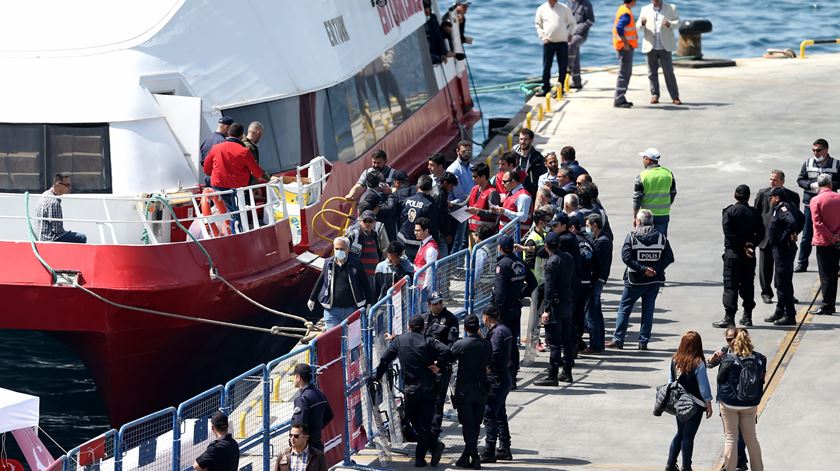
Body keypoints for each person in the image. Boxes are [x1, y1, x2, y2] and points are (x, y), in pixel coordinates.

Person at [374, 315, 450, 467]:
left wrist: (377, 376)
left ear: (408, 327)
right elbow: (447, 351)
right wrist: (439, 366)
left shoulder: (399, 341)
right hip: (428, 388)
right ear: (423, 328)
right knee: (425, 424)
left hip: (412, 389)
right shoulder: (428, 340)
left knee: (413, 420)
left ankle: (425, 454)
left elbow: (385, 359)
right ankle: (431, 448)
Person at [607, 209, 674, 349]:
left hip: (634, 280)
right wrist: (655, 269)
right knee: (648, 310)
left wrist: (643, 269)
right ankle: (643, 341)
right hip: (654, 281)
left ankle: (618, 340)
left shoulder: (632, 236)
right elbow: (669, 257)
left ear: (638, 221)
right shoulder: (661, 237)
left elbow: (626, 257)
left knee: (624, 308)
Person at [203, 122, 271, 231]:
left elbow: (206, 170)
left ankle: (222, 232)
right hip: (235, 191)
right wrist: (269, 178)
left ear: (229, 133)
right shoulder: (244, 151)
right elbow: (257, 173)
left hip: (218, 188)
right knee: (237, 215)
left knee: (224, 212)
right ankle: (237, 233)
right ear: (241, 136)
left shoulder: (215, 148)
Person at [713, 185, 765, 328]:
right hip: (748, 255)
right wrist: (750, 244)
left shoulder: (729, 212)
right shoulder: (754, 213)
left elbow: (729, 234)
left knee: (730, 286)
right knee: (748, 285)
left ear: (735, 196)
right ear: (748, 197)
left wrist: (743, 244)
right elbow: (761, 233)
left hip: (733, 254)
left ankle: (729, 317)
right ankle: (747, 316)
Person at [717, 329, 766, 471]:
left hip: (730, 403)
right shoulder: (760, 359)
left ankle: (730, 468)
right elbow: (761, 379)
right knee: (751, 438)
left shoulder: (730, 359)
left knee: (731, 437)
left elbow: (720, 378)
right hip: (750, 403)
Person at [665, 331, 713, 471]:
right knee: (688, 436)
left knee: (680, 433)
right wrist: (708, 404)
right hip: (695, 405)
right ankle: (686, 467)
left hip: (679, 403)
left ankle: (670, 463)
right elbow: (703, 387)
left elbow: (670, 382)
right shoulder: (698, 363)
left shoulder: (675, 360)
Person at [753, 170, 800, 304]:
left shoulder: (793, 196)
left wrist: (794, 232)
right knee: (765, 267)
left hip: (783, 239)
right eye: (771, 179)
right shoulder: (763, 193)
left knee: (784, 269)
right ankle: (766, 293)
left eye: (774, 179)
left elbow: (797, 217)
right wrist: (757, 234)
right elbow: (756, 214)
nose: (771, 182)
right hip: (766, 237)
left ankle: (785, 292)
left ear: (782, 181)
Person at [450, 314, 490, 469]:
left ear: (465, 328)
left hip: (465, 390)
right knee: (475, 424)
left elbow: (449, 358)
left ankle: (473, 456)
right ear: (478, 328)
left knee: (467, 424)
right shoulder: (486, 344)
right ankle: (468, 455)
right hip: (481, 389)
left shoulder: (461, 344)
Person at [534, 231, 575, 385]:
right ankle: (567, 372)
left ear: (546, 246)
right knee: (567, 340)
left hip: (556, 306)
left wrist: (546, 310)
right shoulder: (568, 258)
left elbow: (549, 289)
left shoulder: (551, 262)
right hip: (567, 302)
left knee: (555, 342)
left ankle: (552, 375)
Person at [706, 328, 749, 471]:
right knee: (731, 434)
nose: (730, 342)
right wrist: (713, 359)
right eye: (728, 339)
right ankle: (736, 461)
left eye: (733, 339)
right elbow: (709, 365)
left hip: (741, 400)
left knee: (739, 434)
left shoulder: (746, 354)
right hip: (726, 399)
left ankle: (738, 462)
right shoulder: (726, 352)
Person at [795, 139, 840, 272]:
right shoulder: (808, 163)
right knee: (806, 235)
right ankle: (802, 263)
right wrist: (810, 185)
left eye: (818, 150)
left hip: (829, 206)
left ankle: (835, 265)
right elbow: (800, 179)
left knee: (832, 234)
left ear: (826, 150)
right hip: (811, 204)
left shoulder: (836, 164)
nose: (815, 152)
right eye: (813, 150)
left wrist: (828, 186)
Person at [422, 291, 460, 448]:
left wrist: (439, 365)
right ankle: (424, 435)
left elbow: (452, 347)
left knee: (437, 403)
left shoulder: (450, 319)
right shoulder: (423, 318)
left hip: (440, 368)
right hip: (424, 367)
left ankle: (434, 438)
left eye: (440, 303)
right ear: (429, 305)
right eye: (435, 303)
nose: (439, 306)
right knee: (423, 403)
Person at [308, 237, 370, 329]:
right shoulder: (328, 263)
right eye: (336, 249)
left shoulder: (356, 264)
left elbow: (365, 283)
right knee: (335, 338)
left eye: (342, 249)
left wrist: (369, 302)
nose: (339, 251)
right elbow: (321, 280)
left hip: (352, 309)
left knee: (352, 340)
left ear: (348, 249)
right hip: (332, 310)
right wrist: (312, 298)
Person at [492, 235, 527, 385]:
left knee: (502, 342)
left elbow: (499, 292)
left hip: (504, 309)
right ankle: (512, 376)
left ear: (500, 248)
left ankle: (504, 376)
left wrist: (497, 311)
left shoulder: (503, 265)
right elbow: (532, 282)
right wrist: (520, 295)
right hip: (515, 306)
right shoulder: (520, 262)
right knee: (512, 342)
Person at [763, 187, 802, 326]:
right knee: (780, 281)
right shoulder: (785, 206)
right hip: (781, 250)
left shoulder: (783, 208)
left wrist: (787, 235)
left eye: (771, 197)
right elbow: (801, 218)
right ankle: (780, 311)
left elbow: (792, 222)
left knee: (783, 282)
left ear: (777, 198)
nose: (769, 199)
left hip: (783, 250)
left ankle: (789, 315)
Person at [479, 307, 513, 463]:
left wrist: (488, 367)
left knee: (490, 414)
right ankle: (504, 447)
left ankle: (489, 451)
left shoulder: (498, 333)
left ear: (486, 317)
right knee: (500, 414)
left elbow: (495, 353)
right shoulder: (504, 330)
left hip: (496, 379)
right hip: (504, 377)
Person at [637, 0, 681, 105]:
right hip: (650, 46)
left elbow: (678, 23)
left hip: (665, 46)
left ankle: (675, 97)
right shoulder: (645, 9)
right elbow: (637, 26)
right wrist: (642, 23)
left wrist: (669, 24)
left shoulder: (671, 8)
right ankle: (654, 95)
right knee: (652, 73)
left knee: (669, 72)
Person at [808, 173, 840, 315]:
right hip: (838, 241)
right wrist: (837, 235)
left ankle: (828, 305)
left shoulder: (815, 200)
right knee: (834, 273)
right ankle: (830, 303)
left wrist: (830, 236)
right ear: (830, 184)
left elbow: (818, 223)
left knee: (826, 275)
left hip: (824, 242)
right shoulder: (838, 198)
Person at [581, 214, 611, 354]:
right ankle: (598, 343)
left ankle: (595, 344)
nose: (587, 228)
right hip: (598, 279)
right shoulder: (601, 239)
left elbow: (591, 258)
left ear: (594, 225)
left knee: (591, 313)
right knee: (596, 311)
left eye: (588, 225)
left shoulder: (602, 242)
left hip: (596, 280)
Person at [534, 0, 575, 97]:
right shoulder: (541, 9)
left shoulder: (564, 8)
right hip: (548, 42)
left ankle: (560, 90)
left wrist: (570, 33)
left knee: (562, 67)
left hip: (562, 42)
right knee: (547, 67)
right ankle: (546, 88)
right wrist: (543, 37)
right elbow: (538, 25)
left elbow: (572, 22)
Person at [291, 363, 334, 452]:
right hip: (318, 446)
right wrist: (316, 428)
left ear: (298, 377)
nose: (294, 379)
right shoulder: (320, 393)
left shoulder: (302, 399)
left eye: (294, 376)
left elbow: (299, 425)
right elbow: (329, 415)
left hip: (306, 448)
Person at [633, 147, 676, 236]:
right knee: (661, 241)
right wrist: (666, 205)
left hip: (646, 216)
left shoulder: (642, 176)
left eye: (643, 158)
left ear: (648, 160)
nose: (642, 160)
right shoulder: (668, 174)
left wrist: (635, 217)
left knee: (645, 241)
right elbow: (673, 193)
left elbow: (637, 199)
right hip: (663, 215)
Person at [345, 209, 389, 291]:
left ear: (374, 222)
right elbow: (344, 250)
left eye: (370, 221)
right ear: (361, 222)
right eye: (365, 221)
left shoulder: (375, 235)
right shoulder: (354, 235)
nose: (368, 223)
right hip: (359, 275)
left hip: (373, 275)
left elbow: (383, 250)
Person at [398, 175, 439, 260]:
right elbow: (433, 226)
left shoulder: (407, 200)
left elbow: (400, 218)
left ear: (417, 186)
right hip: (418, 244)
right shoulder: (429, 205)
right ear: (431, 188)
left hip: (402, 240)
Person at [37, 174, 87, 243]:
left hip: (42, 236)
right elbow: (57, 231)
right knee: (81, 237)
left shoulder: (45, 194)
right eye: (67, 185)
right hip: (51, 238)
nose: (69, 188)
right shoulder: (54, 202)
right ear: (58, 185)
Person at [448, 140, 475, 253]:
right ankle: (455, 267)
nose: (467, 153)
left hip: (469, 207)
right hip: (458, 208)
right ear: (457, 151)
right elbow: (460, 195)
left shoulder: (471, 167)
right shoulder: (454, 170)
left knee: (467, 239)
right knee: (459, 241)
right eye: (464, 151)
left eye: (469, 151)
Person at [466, 162, 501, 242]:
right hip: (472, 233)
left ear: (483, 177)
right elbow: (465, 203)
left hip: (485, 236)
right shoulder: (474, 189)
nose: (473, 179)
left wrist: (478, 212)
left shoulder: (493, 192)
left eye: (475, 177)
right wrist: (451, 204)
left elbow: (494, 214)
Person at [492, 170, 532, 239]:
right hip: (507, 237)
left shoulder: (523, 196)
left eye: (504, 182)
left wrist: (504, 211)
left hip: (516, 239)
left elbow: (523, 217)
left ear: (513, 182)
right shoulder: (511, 193)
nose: (502, 183)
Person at [613, 0, 638, 108]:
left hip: (622, 47)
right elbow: (619, 28)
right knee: (624, 73)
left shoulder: (622, 8)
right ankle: (619, 99)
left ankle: (621, 97)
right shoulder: (626, 13)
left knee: (625, 72)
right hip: (625, 48)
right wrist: (626, 43)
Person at [567, 0, 595, 90]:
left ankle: (568, 67)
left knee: (572, 44)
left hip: (580, 34)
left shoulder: (586, 3)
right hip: (569, 33)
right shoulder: (569, 3)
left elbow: (591, 20)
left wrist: (580, 29)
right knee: (574, 54)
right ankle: (576, 81)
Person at [512, 128, 546, 199]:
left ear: (531, 140)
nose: (522, 142)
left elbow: (543, 176)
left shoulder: (538, 158)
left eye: (525, 139)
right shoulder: (512, 155)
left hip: (531, 193)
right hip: (514, 192)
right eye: (521, 139)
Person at [431, 171, 458, 257]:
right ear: (445, 183)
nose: (452, 188)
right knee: (443, 255)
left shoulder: (435, 189)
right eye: (451, 186)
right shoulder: (440, 195)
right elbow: (440, 216)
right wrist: (446, 234)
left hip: (436, 230)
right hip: (440, 233)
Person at [424, 0, 452, 65]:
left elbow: (439, 36)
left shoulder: (433, 18)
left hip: (433, 53)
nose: (427, 10)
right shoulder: (419, 21)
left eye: (428, 7)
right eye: (425, 8)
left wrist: (443, 53)